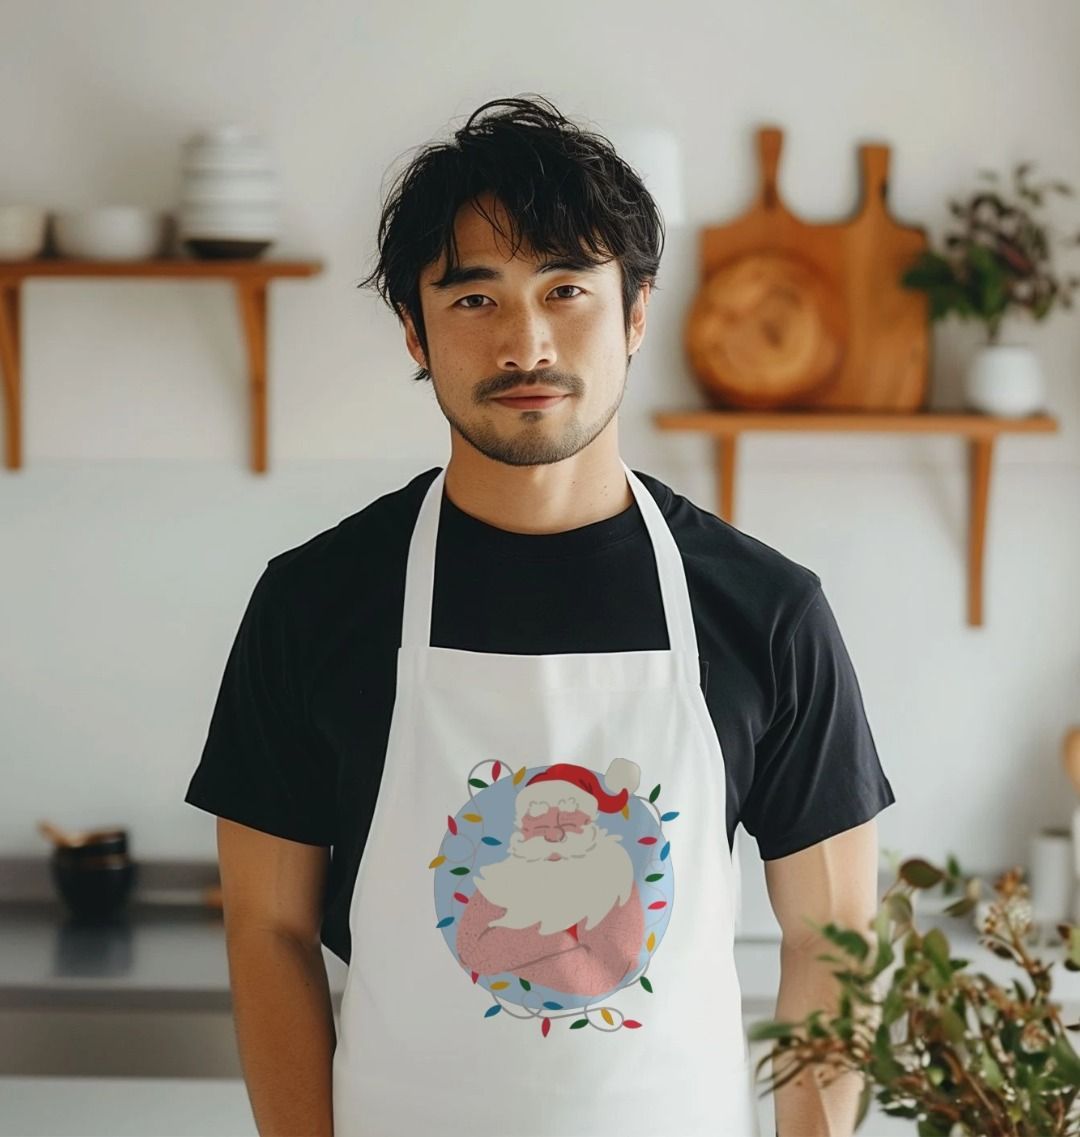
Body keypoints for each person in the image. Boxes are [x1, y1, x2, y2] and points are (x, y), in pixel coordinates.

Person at [185, 93, 896, 1137]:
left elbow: (833, 938)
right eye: (474, 300)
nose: (526, 343)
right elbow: (267, 930)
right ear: (414, 331)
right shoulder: (314, 602)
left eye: (567, 289)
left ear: (635, 312)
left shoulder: (767, 611)